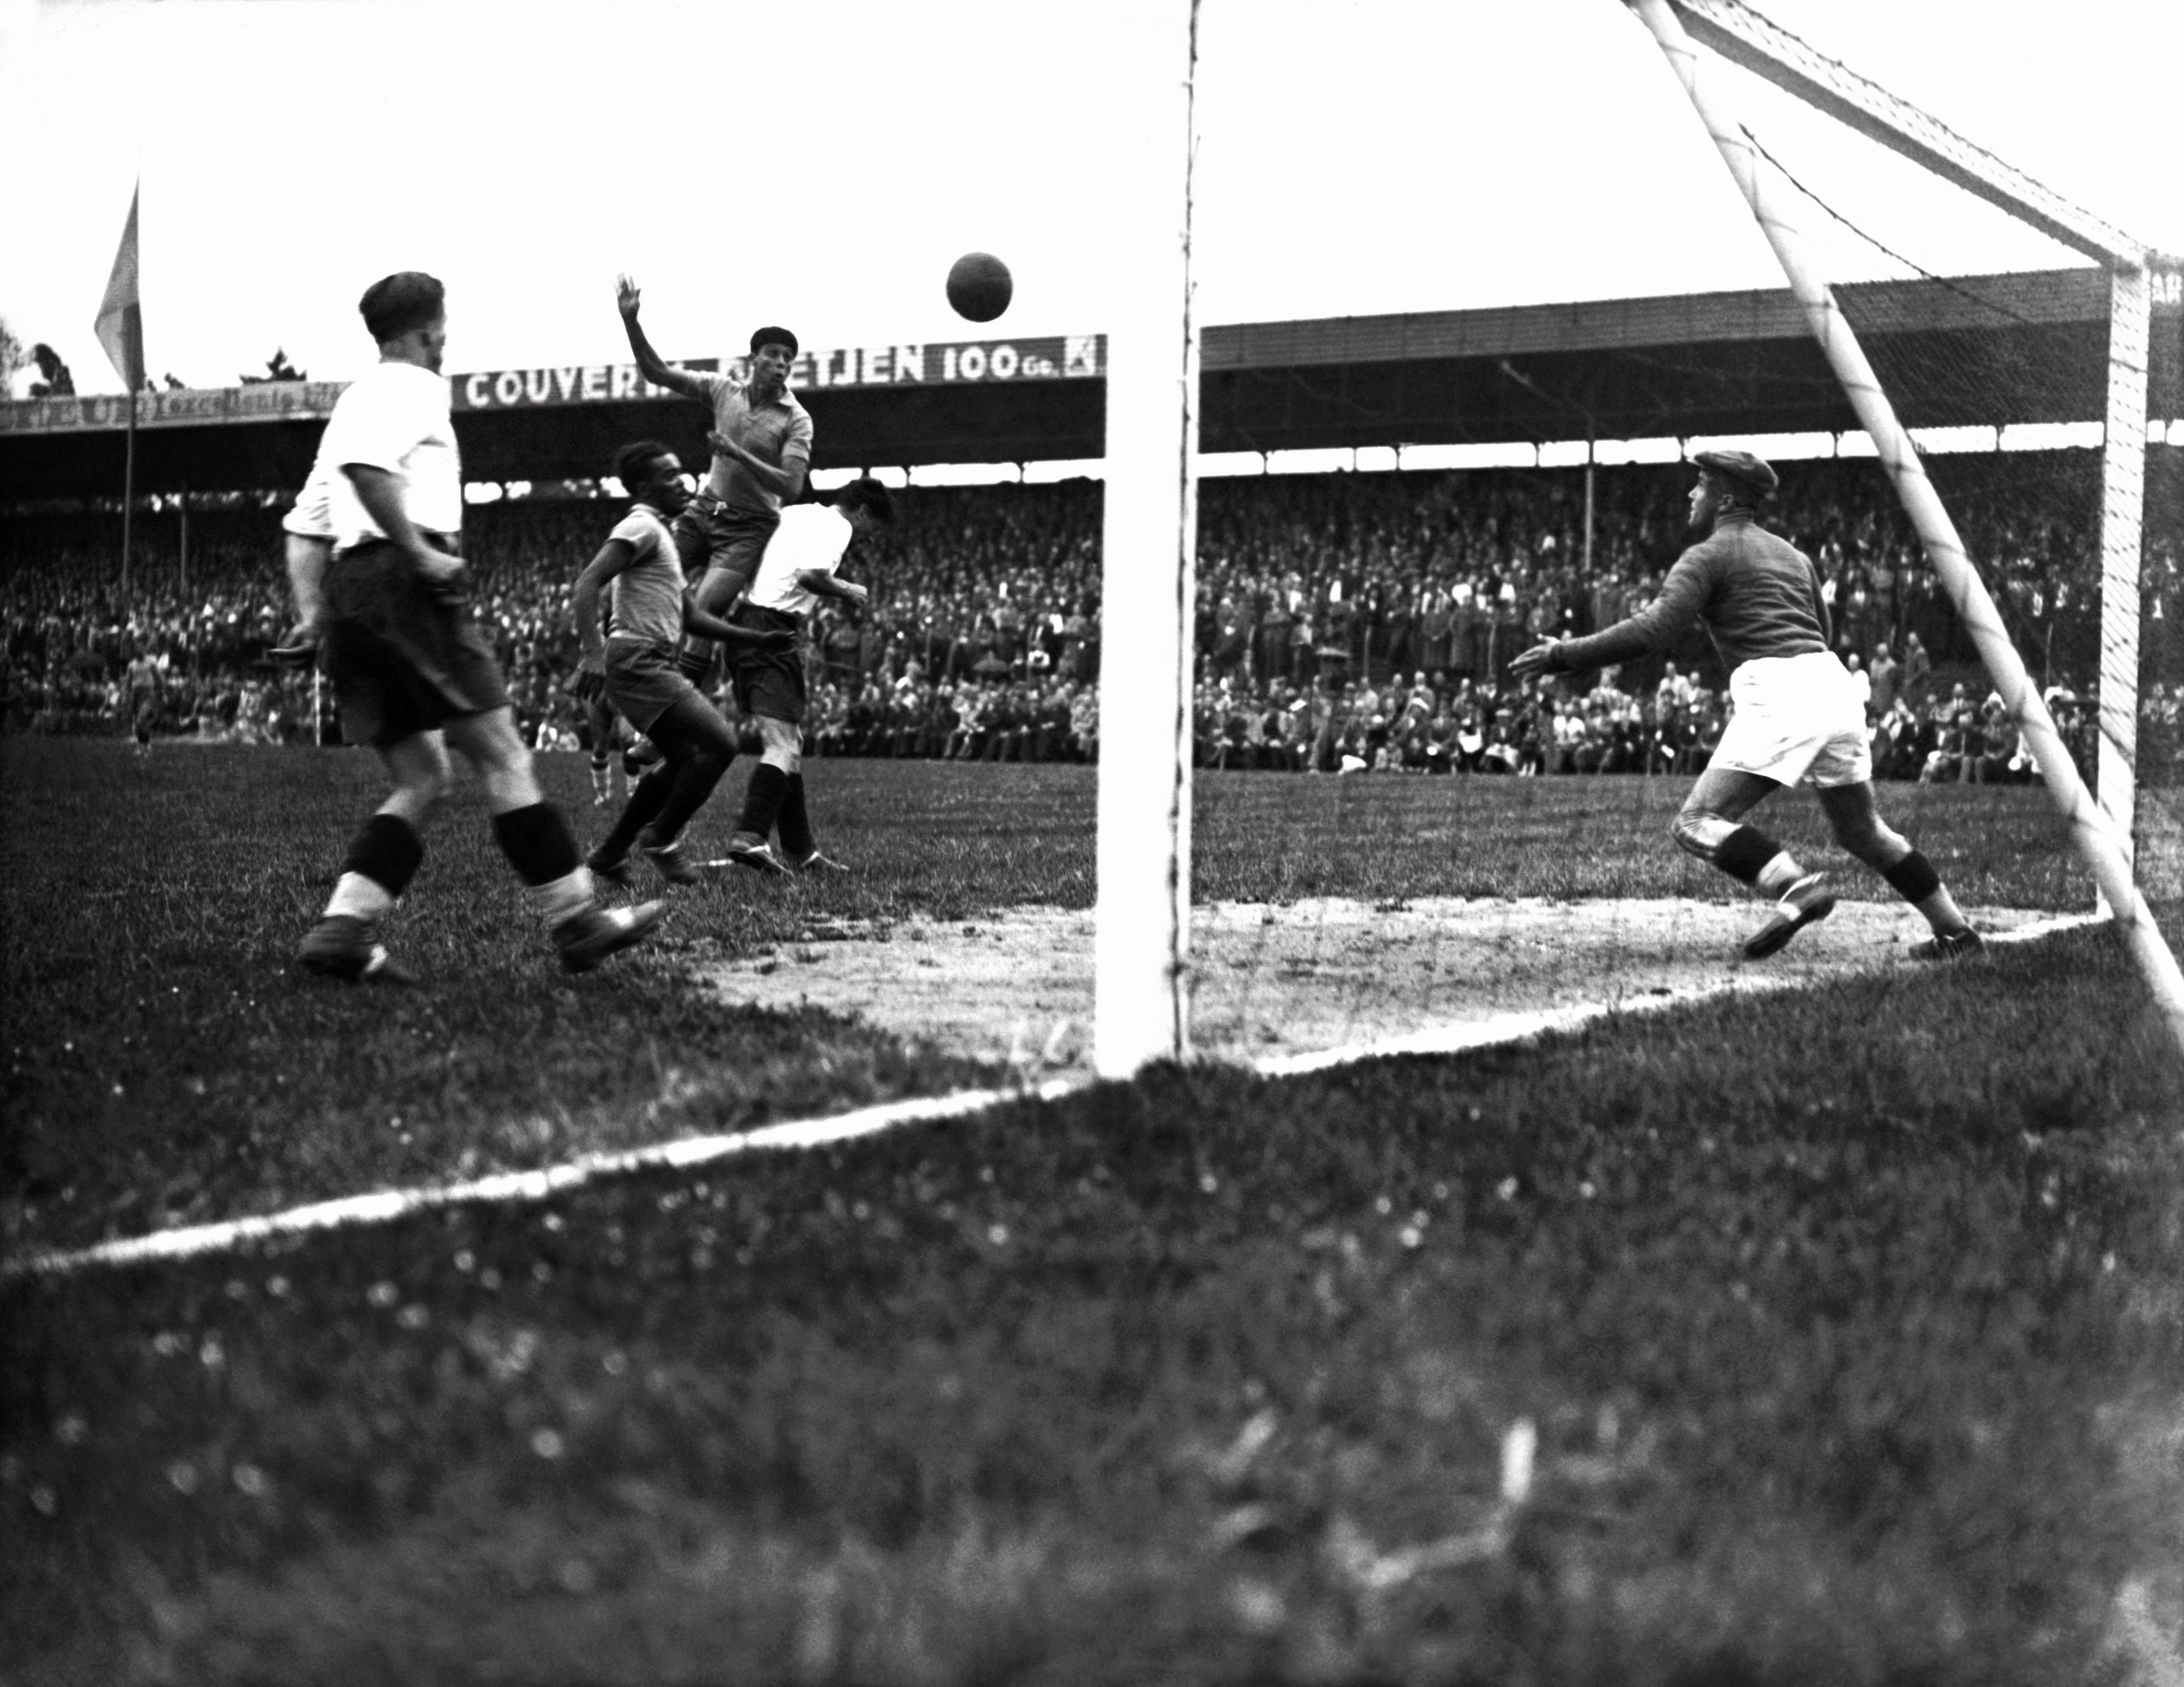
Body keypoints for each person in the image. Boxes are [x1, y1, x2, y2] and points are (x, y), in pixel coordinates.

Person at [293, 272, 664, 981]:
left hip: (352, 586)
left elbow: (307, 523)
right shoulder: (413, 386)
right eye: (444, 328)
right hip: (402, 584)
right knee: (501, 754)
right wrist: (420, 554)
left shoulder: (353, 404)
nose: (445, 340)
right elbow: (369, 471)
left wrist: (312, 613)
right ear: (430, 329)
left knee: (422, 774)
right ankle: (576, 921)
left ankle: (344, 926)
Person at [1511, 450, 1982, 962]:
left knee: (1695, 821)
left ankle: (1794, 887)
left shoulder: (1705, 556)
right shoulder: (1795, 557)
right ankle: (1955, 932)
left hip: (1779, 687)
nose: (1691, 494)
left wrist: (1562, 654)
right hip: (1833, 683)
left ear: (1725, 497)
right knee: (1864, 832)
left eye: (1700, 484)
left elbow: (1653, 630)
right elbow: (1820, 632)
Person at [568, 440, 797, 885]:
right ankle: (661, 837)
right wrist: (592, 655)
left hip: (648, 659)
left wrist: (756, 638)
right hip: (636, 659)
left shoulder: (664, 536)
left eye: (681, 472)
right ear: (644, 487)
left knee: (681, 756)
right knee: (721, 744)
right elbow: (587, 583)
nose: (683, 481)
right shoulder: (642, 527)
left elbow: (692, 616)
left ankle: (611, 854)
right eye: (669, 476)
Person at [612, 276, 813, 681]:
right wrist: (631, 322)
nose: (782, 364)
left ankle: (670, 722)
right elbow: (657, 373)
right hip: (702, 513)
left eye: (788, 358)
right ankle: (616, 681)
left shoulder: (796, 419)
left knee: (700, 616)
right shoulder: (724, 391)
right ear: (753, 359)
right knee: (632, 581)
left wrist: (736, 453)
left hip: (748, 528)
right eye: (773, 355)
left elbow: (791, 487)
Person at [715, 477, 896, 875]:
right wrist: (848, 589)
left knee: (791, 741)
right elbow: (810, 576)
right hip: (770, 628)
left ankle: (801, 852)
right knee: (782, 745)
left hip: (750, 621)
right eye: (874, 530)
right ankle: (751, 836)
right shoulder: (839, 527)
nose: (868, 541)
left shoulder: (797, 514)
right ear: (863, 512)